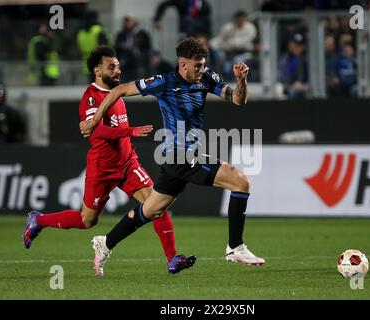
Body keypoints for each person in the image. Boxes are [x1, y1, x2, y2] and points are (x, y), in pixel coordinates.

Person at [80, 37, 265, 274]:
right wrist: (94, 120)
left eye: (203, 64)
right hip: (178, 155)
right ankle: (235, 247)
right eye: (196, 65)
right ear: (183, 64)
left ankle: (105, 244)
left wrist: (242, 81)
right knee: (240, 181)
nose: (201, 70)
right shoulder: (163, 82)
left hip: (178, 159)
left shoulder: (206, 77)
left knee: (151, 210)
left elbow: (239, 99)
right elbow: (118, 90)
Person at [23, 46, 196, 276]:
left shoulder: (118, 93)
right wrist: (131, 132)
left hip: (127, 163)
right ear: (97, 70)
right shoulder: (90, 97)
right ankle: (39, 220)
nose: (117, 70)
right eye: (111, 66)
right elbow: (97, 133)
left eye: (118, 66)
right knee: (87, 220)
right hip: (102, 168)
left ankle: (172, 258)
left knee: (156, 204)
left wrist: (128, 138)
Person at [77, 10, 111, 82]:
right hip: (99, 62)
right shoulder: (98, 30)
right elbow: (105, 46)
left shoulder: (81, 33)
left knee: (93, 85)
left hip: (87, 63)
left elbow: (79, 48)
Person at [27, 22, 60, 86]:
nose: (44, 29)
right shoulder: (39, 40)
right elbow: (40, 54)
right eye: (42, 27)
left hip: (47, 70)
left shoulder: (44, 40)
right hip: (42, 69)